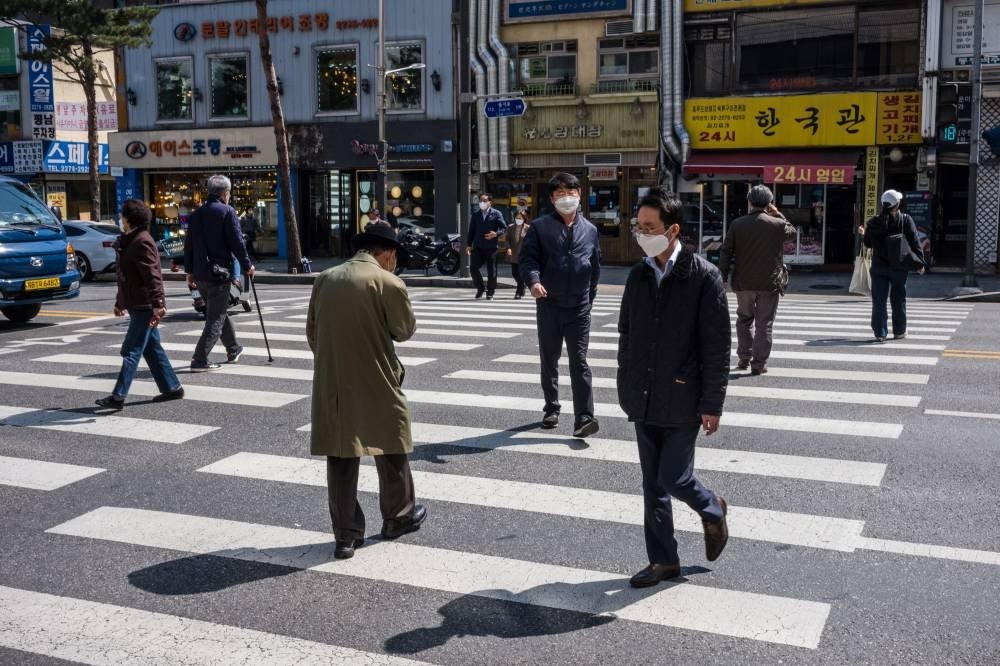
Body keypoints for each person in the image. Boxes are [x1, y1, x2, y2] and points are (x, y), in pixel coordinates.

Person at [617, 187, 730, 589]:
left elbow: (717, 347)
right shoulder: (639, 274)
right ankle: (663, 561)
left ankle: (712, 507)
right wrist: (626, 384)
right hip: (644, 395)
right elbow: (626, 333)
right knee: (653, 486)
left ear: (673, 229)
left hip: (684, 396)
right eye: (638, 227)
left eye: (649, 227)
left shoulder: (704, 276)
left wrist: (712, 402)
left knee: (672, 477)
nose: (641, 234)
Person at [307, 222, 425, 560]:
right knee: (392, 444)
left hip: (334, 378)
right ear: (387, 253)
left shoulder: (325, 279)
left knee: (342, 451)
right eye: (394, 257)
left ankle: (345, 535)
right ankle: (398, 517)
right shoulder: (389, 282)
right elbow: (403, 331)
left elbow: (313, 334)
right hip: (378, 375)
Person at [519, 172, 601, 438]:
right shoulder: (540, 228)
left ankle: (584, 418)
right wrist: (533, 282)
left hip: (579, 307)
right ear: (552, 199)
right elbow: (528, 260)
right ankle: (552, 407)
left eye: (571, 193)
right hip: (549, 305)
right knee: (550, 360)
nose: (567, 198)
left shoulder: (590, 230)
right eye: (560, 194)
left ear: (579, 195)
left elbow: (594, 268)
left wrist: (589, 299)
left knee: (579, 361)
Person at [95, 200, 183, 410]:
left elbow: (153, 275)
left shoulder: (141, 241)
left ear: (128, 218)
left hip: (144, 305)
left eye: (122, 215)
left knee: (131, 350)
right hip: (136, 303)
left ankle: (118, 396)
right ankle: (172, 388)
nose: (120, 218)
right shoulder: (131, 239)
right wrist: (120, 302)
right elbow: (125, 277)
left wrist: (158, 303)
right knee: (152, 349)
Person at [718, 184, 796, 375]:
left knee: (744, 320)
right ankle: (759, 364)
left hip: (743, 282)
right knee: (764, 324)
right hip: (770, 283)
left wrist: (723, 276)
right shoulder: (777, 225)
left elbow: (726, 251)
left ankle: (744, 358)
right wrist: (778, 214)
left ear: (749, 202)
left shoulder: (738, 224)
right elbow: (792, 233)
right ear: (769, 203)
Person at [183, 174, 255, 371]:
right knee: (215, 318)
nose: (229, 196)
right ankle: (199, 360)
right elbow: (237, 243)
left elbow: (188, 245)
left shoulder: (196, 214)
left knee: (218, 311)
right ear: (225, 193)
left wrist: (188, 271)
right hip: (219, 273)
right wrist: (247, 265)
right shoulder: (227, 211)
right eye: (229, 193)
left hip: (200, 274)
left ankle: (233, 348)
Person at [859, 189, 926, 342]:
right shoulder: (905, 220)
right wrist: (920, 263)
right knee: (898, 299)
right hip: (899, 267)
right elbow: (915, 242)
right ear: (896, 205)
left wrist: (864, 233)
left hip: (878, 268)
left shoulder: (873, 222)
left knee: (879, 301)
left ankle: (880, 333)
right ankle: (900, 331)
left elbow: (868, 244)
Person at [466, 193, 507, 299]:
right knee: (473, 268)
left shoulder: (497, 214)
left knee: (491, 271)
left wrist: (496, 234)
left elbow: (503, 228)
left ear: (490, 202)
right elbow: (471, 231)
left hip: (491, 247)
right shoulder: (476, 215)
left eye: (484, 201)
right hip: (478, 246)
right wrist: (468, 245)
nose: (482, 203)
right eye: (481, 201)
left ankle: (490, 292)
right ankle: (480, 288)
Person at [505, 210, 531, 299]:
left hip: (524, 254)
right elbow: (507, 239)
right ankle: (522, 285)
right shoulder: (510, 227)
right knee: (514, 273)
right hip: (514, 253)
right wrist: (508, 248)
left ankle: (518, 292)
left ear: (524, 218)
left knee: (520, 274)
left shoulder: (528, 228)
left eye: (520, 218)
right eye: (517, 218)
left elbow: (531, 241)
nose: (518, 219)